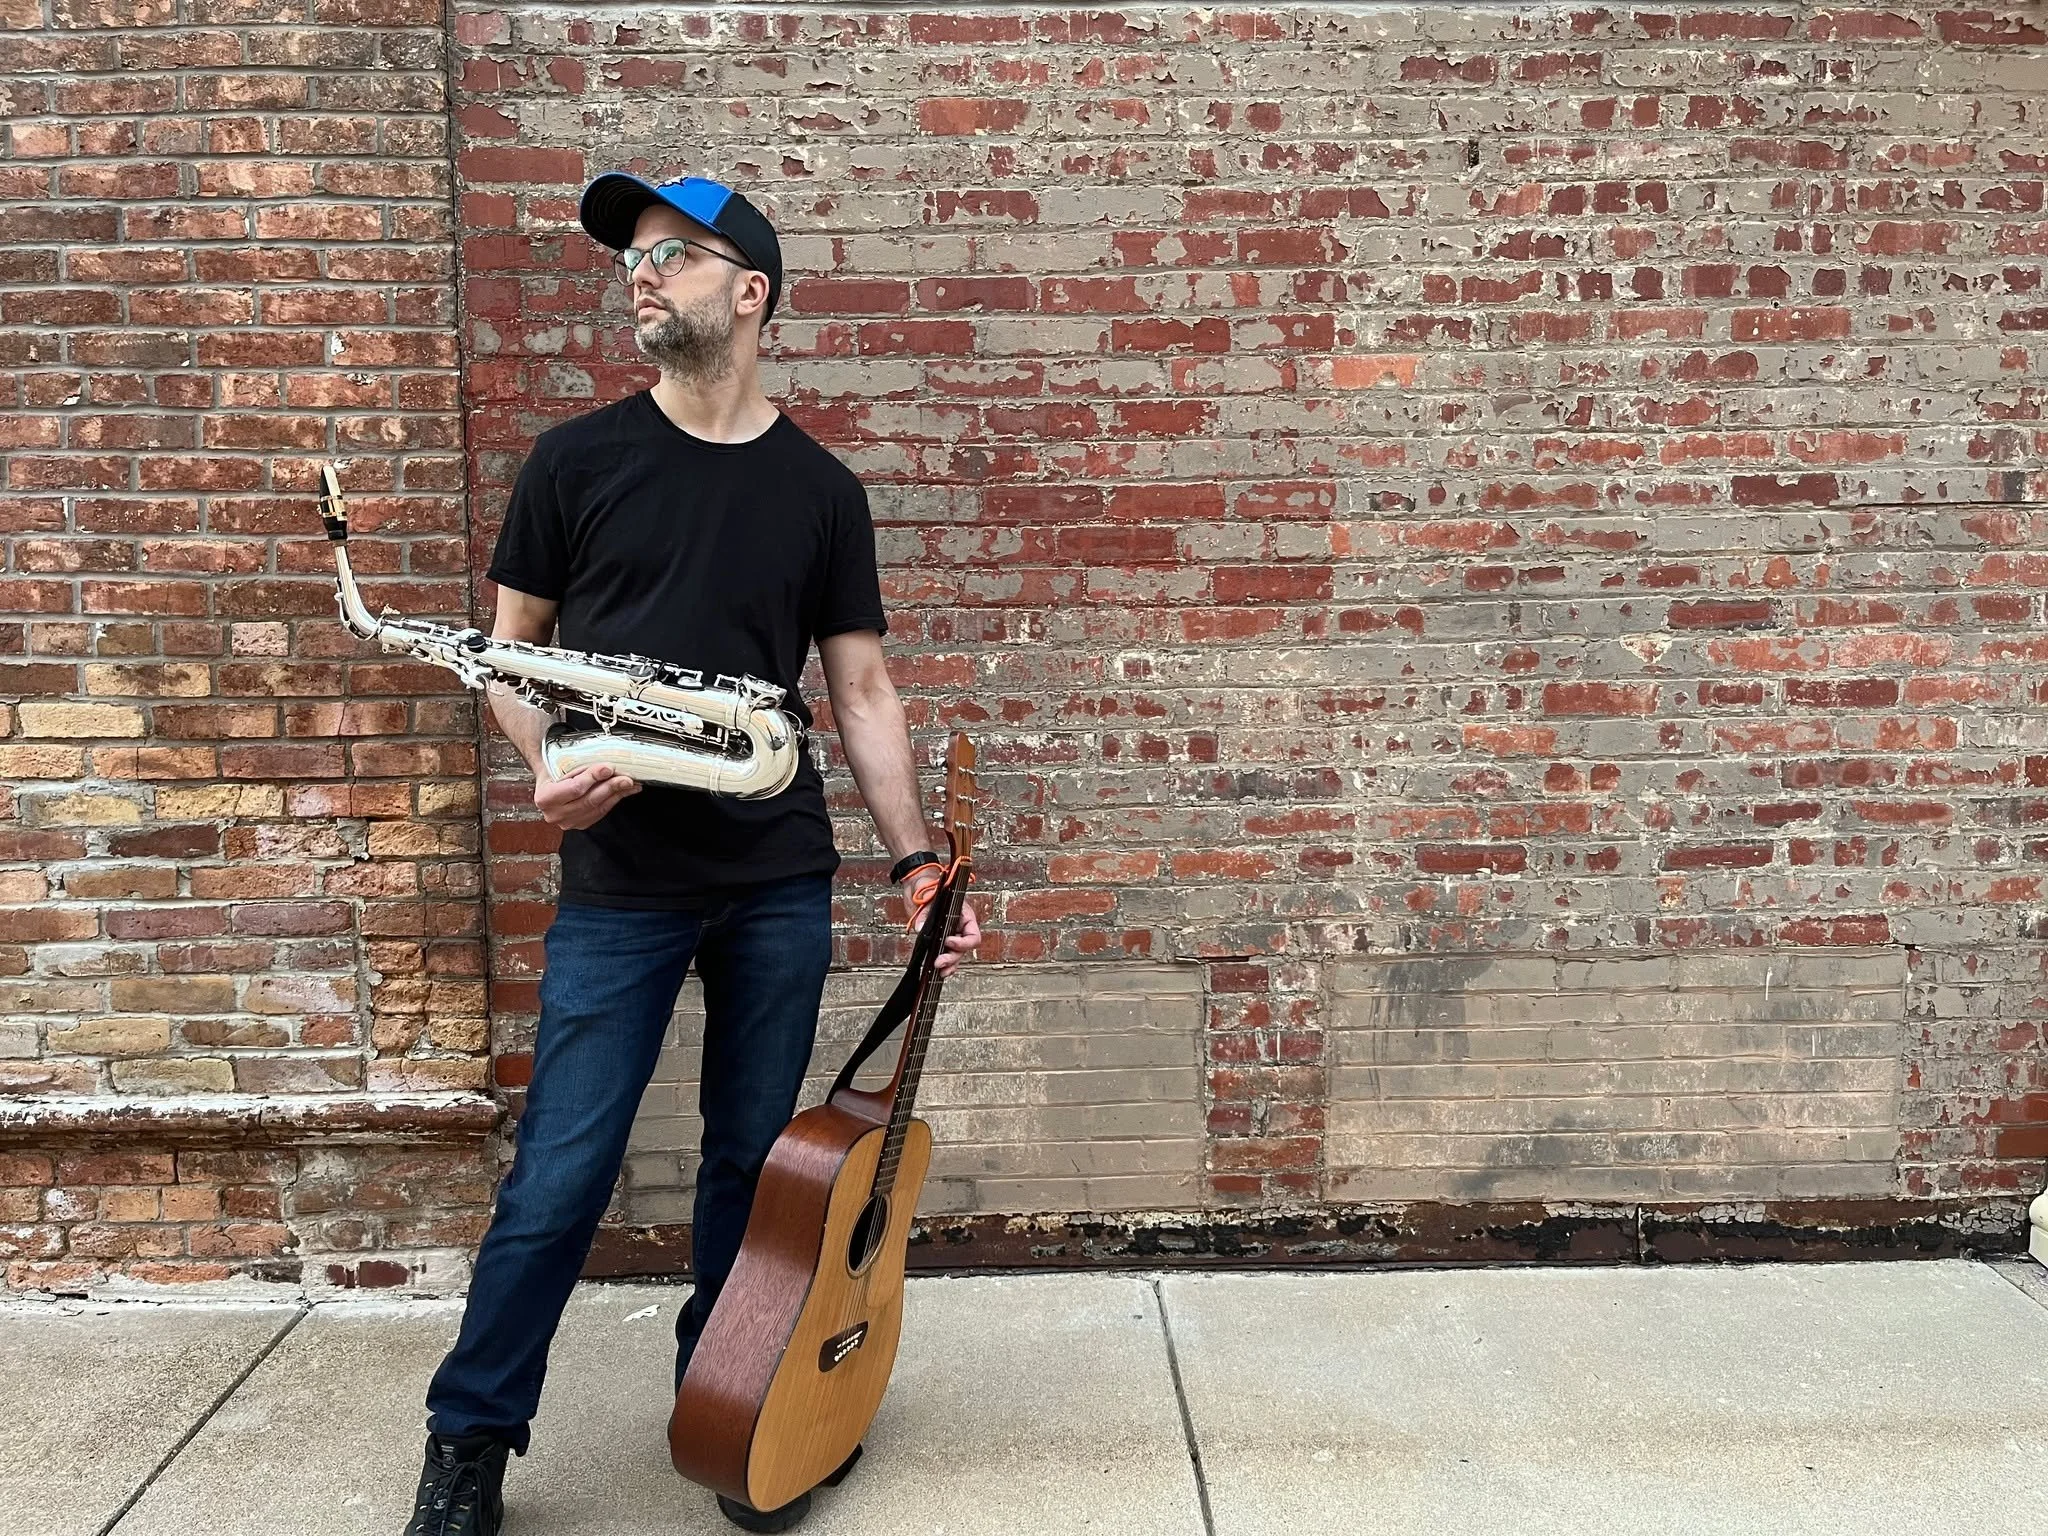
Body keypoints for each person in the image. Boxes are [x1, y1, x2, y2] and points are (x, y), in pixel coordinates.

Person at [403, 170, 983, 1536]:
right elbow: (509, 657)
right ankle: (470, 1437)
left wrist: (915, 865)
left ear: (751, 291)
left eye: (673, 253)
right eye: (634, 258)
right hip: (622, 888)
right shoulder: (574, 462)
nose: (641, 274)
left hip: (776, 882)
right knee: (560, 1176)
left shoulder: (821, 490)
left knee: (752, 1176)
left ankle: (731, 1409)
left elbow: (861, 691)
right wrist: (544, 764)